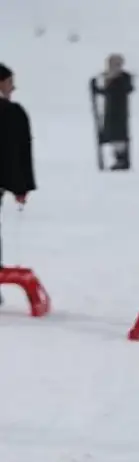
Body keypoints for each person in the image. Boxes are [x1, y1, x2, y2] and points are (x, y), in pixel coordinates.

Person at [0, 62, 36, 291]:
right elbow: (20, 153)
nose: (13, 88)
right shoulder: (12, 113)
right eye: (9, 83)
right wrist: (21, 187)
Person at [90, 54, 134, 170]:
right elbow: (107, 92)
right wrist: (97, 89)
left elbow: (123, 89)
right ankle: (119, 159)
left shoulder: (123, 77)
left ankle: (122, 160)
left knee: (119, 137)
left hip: (120, 112)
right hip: (110, 111)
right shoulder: (109, 77)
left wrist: (105, 87)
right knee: (112, 136)